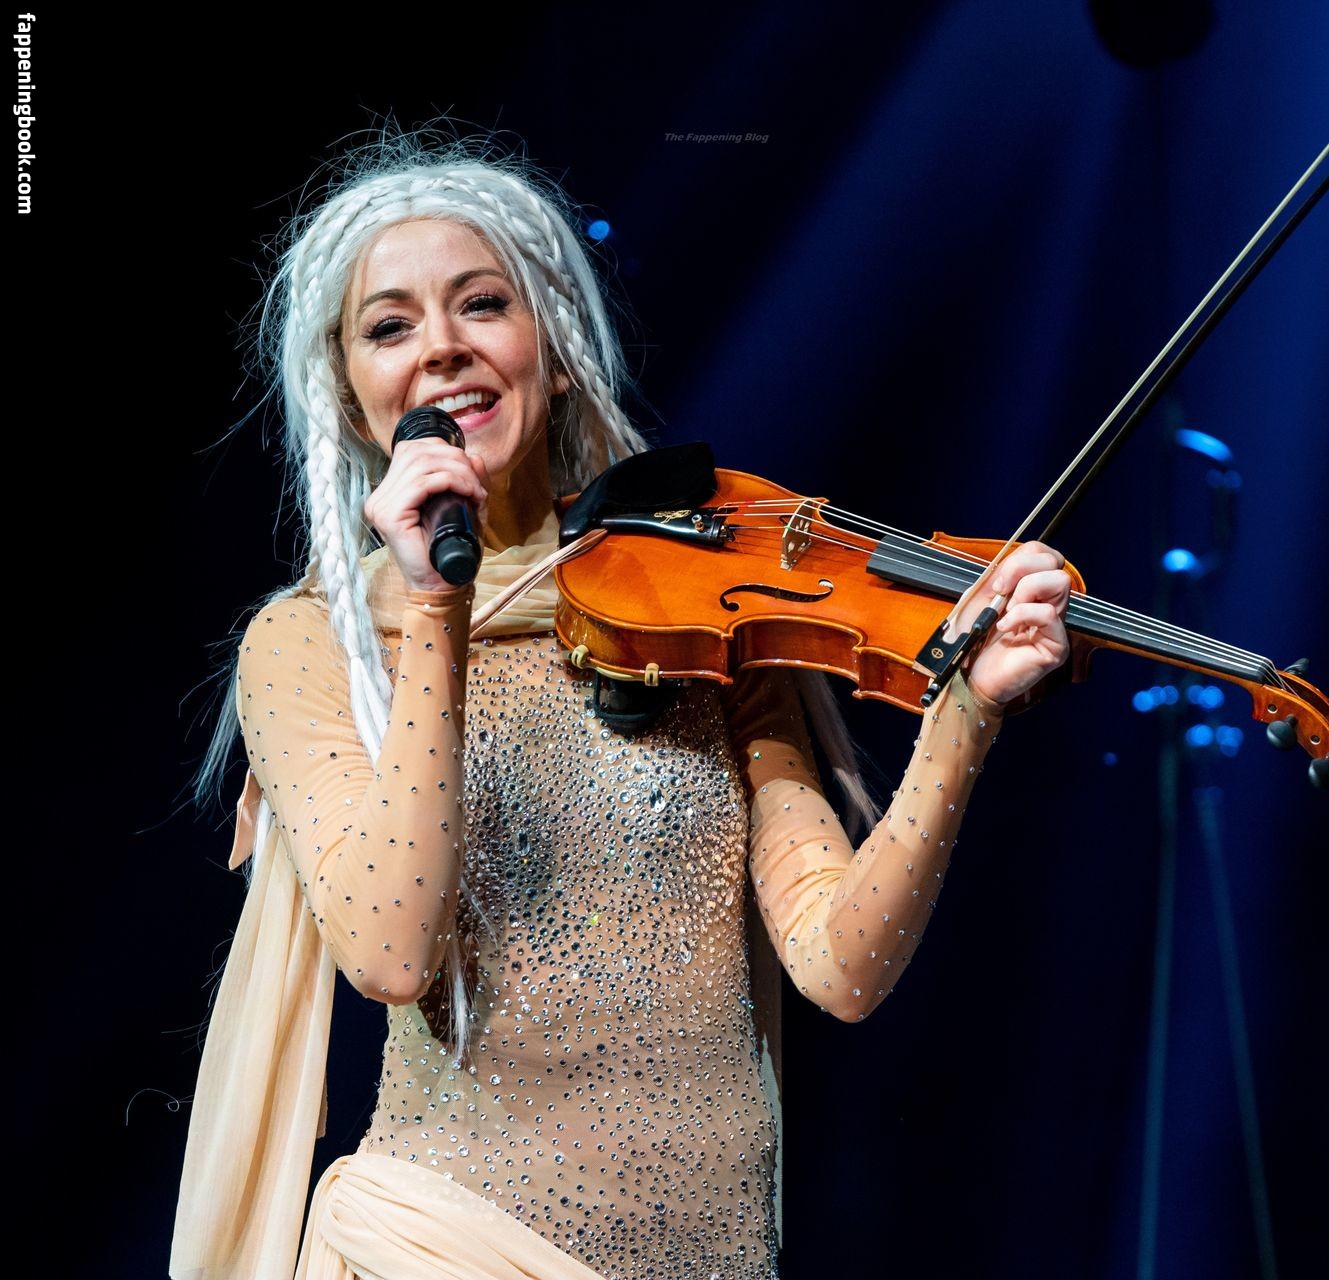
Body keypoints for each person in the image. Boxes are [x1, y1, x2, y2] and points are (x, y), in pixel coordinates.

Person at [171, 130, 1072, 1280]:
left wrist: (964, 713)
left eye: (482, 303)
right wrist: (438, 603)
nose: (441, 346)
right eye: (390, 327)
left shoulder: (694, 605)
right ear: (353, 401)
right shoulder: (313, 642)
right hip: (445, 1252)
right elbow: (392, 952)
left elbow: (842, 965)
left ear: (551, 352)